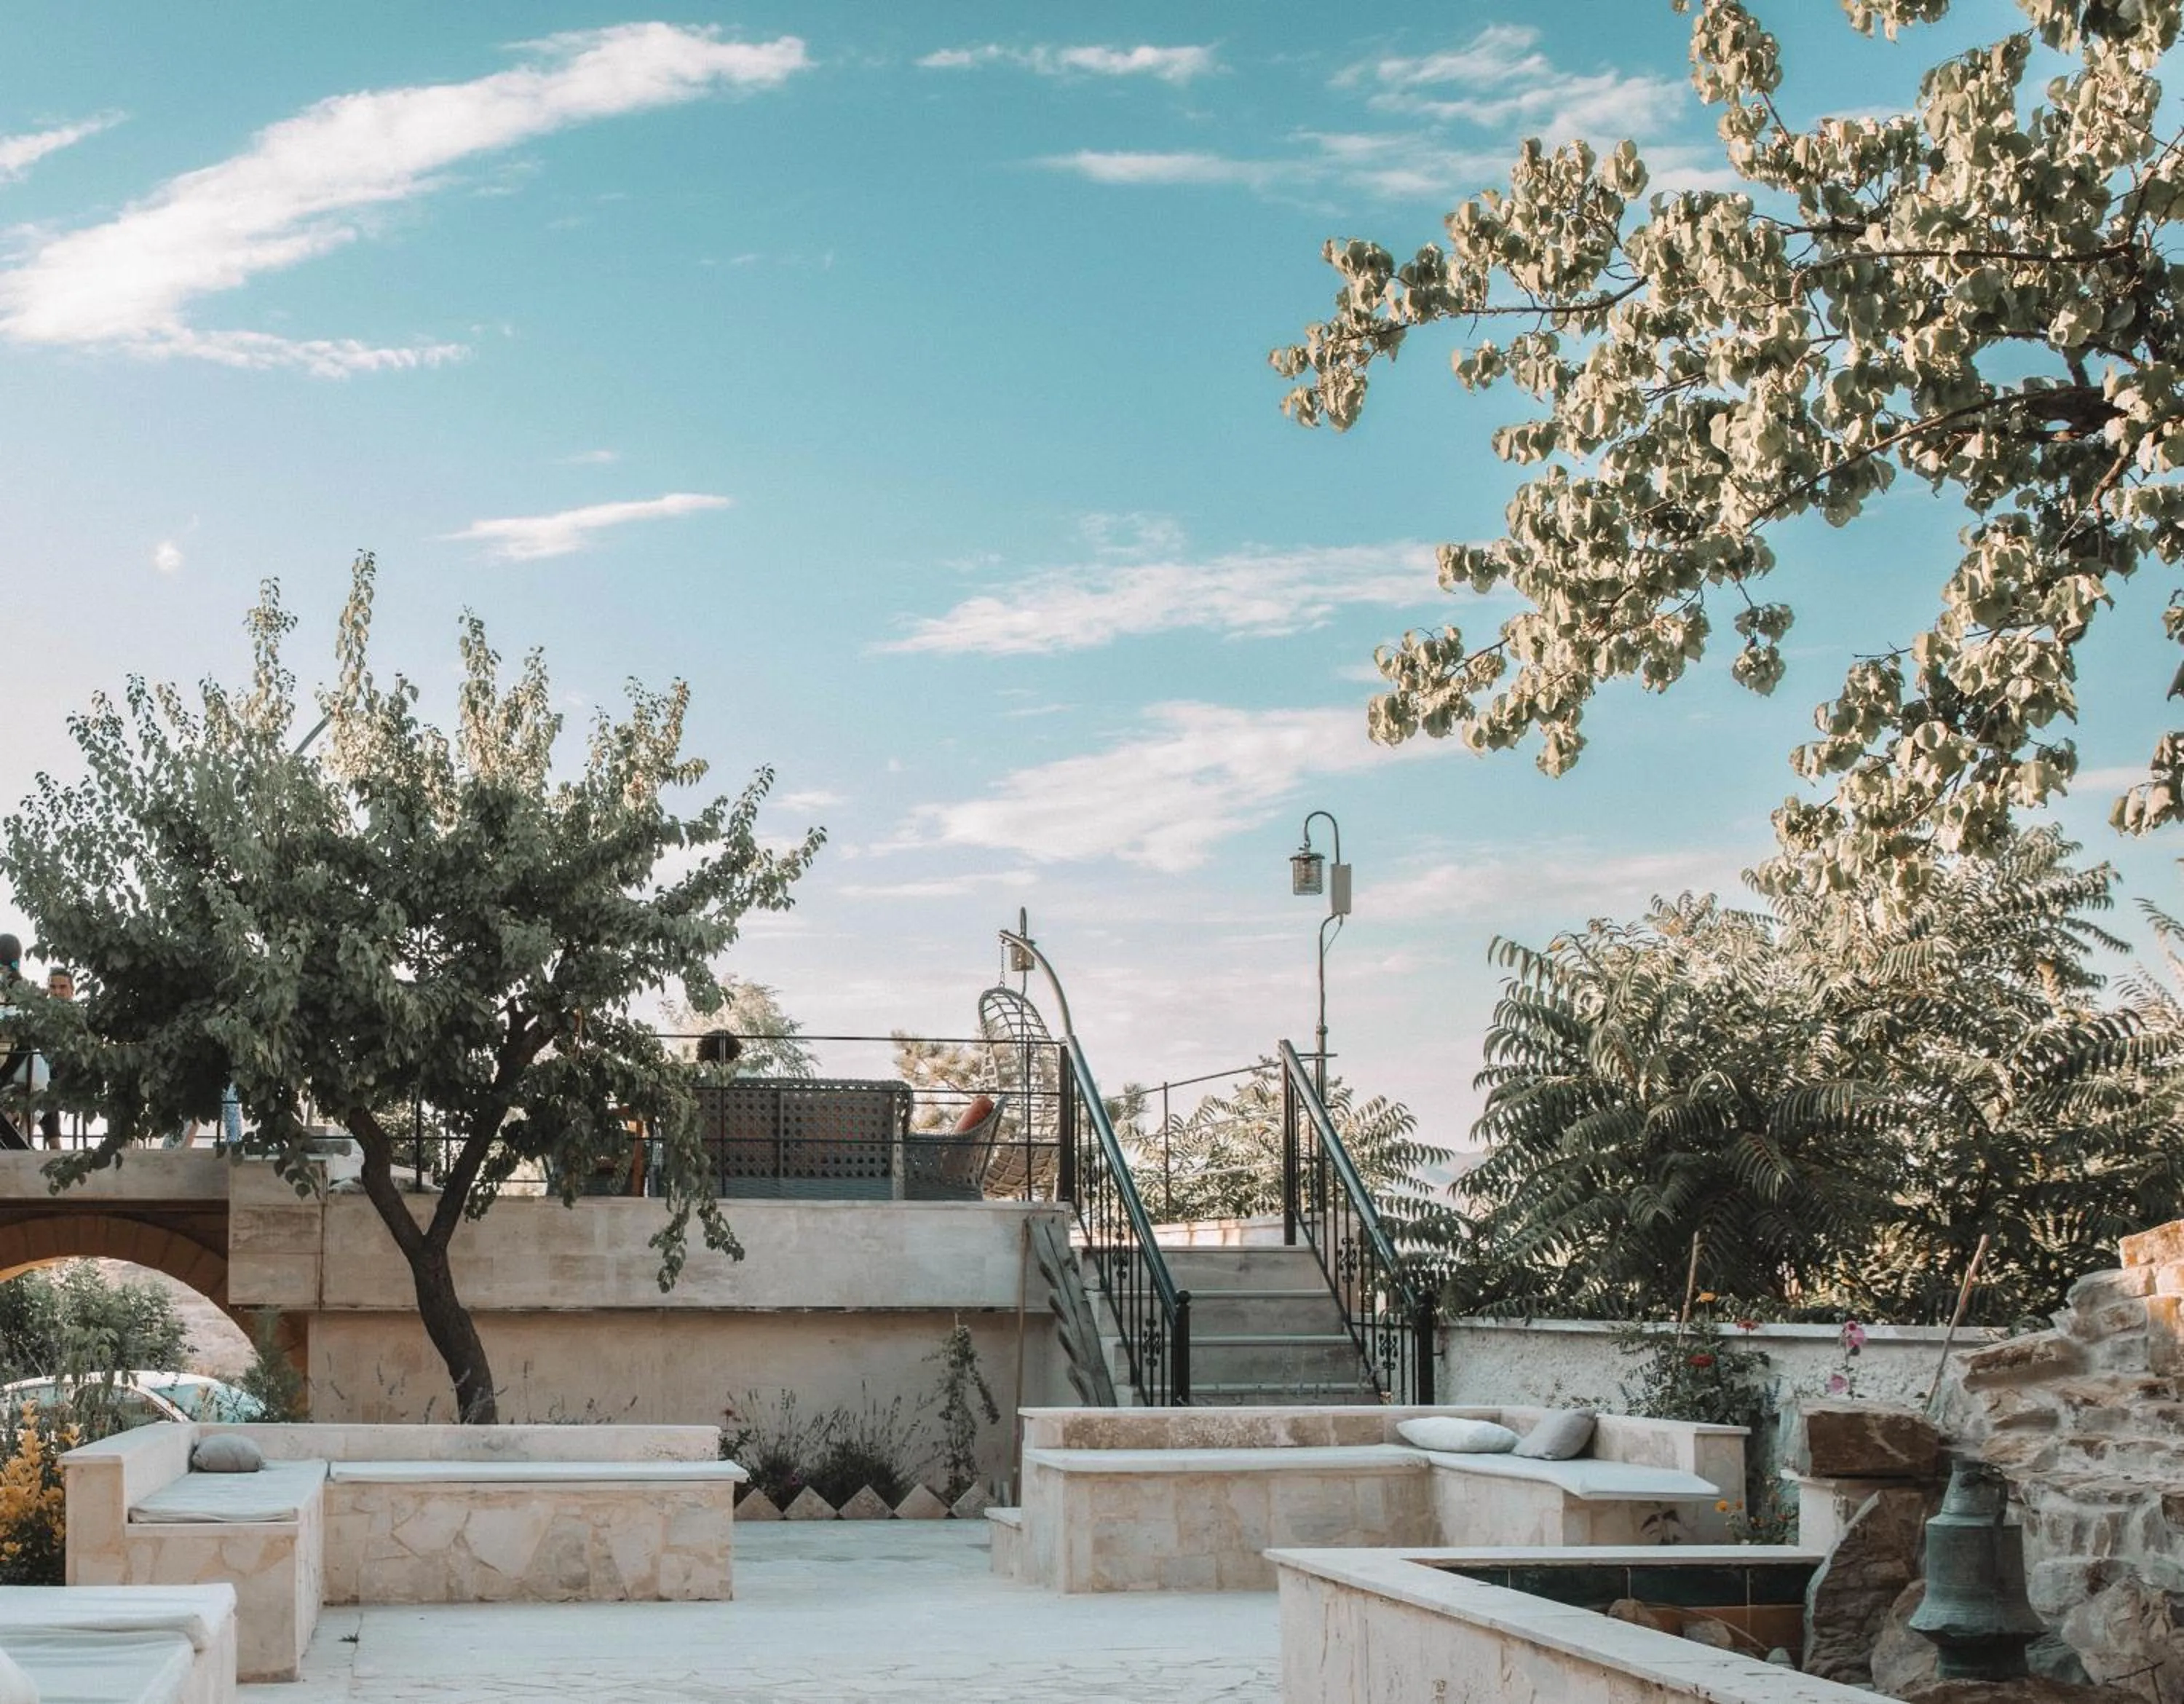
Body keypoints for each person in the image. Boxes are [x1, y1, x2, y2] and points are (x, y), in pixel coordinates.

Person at [38, 967, 71, 1147]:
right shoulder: (40, 1016)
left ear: (72, 990)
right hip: (45, 1074)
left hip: (66, 1075)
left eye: (62, 987)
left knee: (46, 1083)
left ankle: (53, 1142)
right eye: (52, 987)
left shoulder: (78, 1016)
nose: (57, 992)